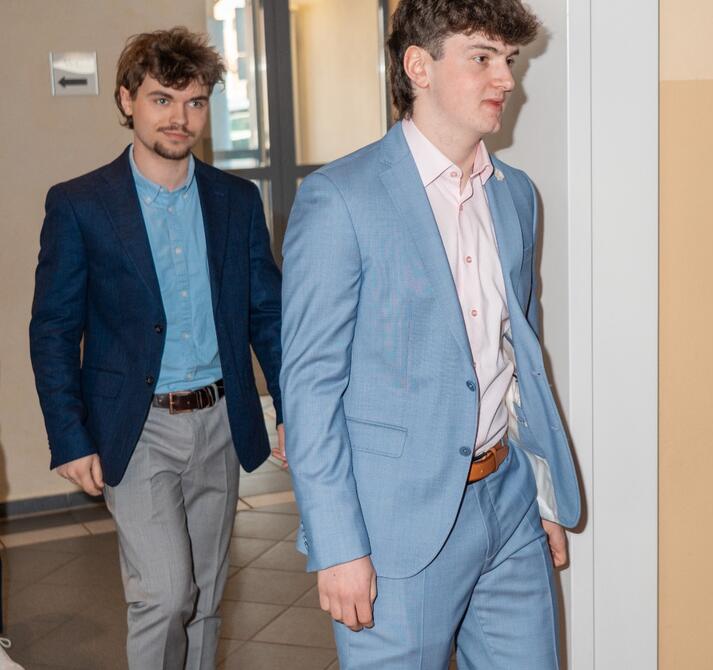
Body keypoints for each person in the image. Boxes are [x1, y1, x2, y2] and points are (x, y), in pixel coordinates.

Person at [279, 1, 581, 667]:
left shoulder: (515, 195)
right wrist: (337, 545)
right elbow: (309, 389)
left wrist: (540, 491)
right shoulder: (341, 198)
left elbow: (517, 360)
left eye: (509, 60)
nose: (506, 79)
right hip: (396, 527)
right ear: (419, 66)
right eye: (482, 58)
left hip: (507, 500)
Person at [29, 27, 284, 670]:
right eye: (162, 99)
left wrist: (292, 407)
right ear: (127, 101)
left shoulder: (236, 201)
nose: (180, 117)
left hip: (221, 422)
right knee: (165, 597)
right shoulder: (81, 205)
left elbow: (268, 315)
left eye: (195, 102)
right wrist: (70, 436)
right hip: (136, 427)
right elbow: (53, 329)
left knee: (206, 599)